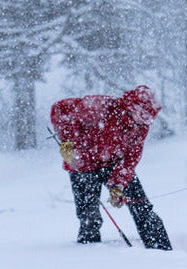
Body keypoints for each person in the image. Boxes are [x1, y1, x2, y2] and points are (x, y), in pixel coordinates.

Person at [50, 85, 172, 250]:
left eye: (149, 119)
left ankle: (161, 250)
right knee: (89, 217)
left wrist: (118, 185)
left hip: (113, 164)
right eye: (143, 116)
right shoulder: (102, 106)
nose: (144, 122)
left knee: (141, 205)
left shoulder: (141, 126)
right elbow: (60, 109)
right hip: (82, 164)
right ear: (132, 107)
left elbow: (131, 157)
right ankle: (89, 254)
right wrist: (67, 141)